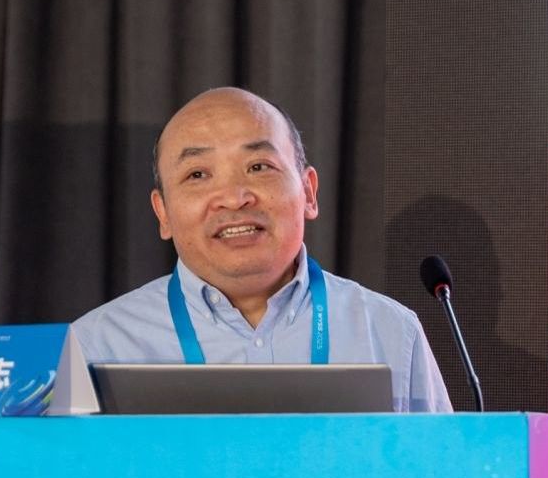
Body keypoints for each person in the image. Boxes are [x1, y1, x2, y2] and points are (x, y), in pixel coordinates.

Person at [71, 87, 452, 412]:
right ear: (163, 213)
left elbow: (440, 473)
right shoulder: (95, 346)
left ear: (308, 192)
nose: (234, 197)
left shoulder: (390, 332)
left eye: (258, 167)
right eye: (197, 174)